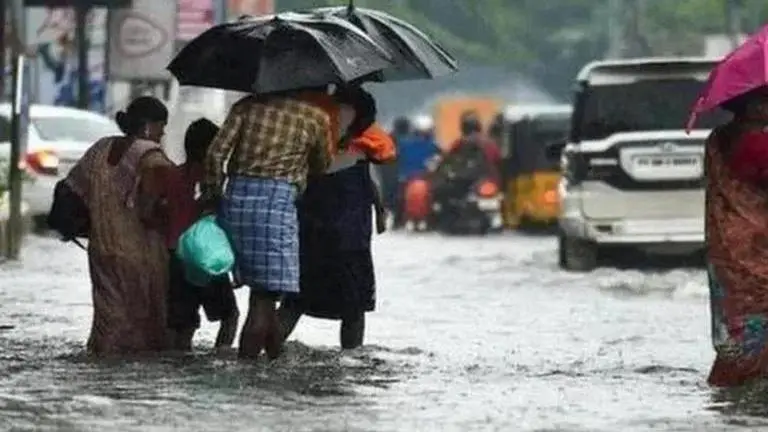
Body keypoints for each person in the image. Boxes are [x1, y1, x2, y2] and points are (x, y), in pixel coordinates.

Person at [201, 89, 333, 360]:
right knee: (263, 298)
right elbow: (321, 165)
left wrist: (214, 194)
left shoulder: (246, 107)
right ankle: (248, 371)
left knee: (264, 292)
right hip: (275, 206)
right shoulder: (315, 117)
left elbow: (215, 154)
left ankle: (275, 360)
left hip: (236, 201)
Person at [278, 86, 395, 349]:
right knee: (354, 307)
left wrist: (378, 210)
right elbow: (368, 182)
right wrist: (379, 211)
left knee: (294, 301)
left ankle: (267, 353)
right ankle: (351, 359)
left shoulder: (315, 133)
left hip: (312, 233)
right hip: (349, 238)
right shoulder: (362, 147)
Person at [64, 96, 175, 356]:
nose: (163, 132)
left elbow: (74, 189)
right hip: (141, 254)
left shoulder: (100, 148)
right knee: (145, 323)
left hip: (102, 248)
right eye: (161, 125)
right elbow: (149, 211)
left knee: (108, 319)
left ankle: (102, 362)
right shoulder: (151, 156)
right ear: (148, 125)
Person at [705, 86, 768, 387]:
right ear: (753, 106)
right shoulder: (757, 142)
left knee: (739, 314)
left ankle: (736, 373)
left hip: (727, 244)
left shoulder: (717, 138)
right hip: (759, 243)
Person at [165, 118, 239, 352]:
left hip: (175, 257)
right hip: (204, 257)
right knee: (230, 316)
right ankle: (220, 356)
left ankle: (178, 361)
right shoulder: (215, 181)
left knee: (183, 324)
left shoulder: (172, 176)